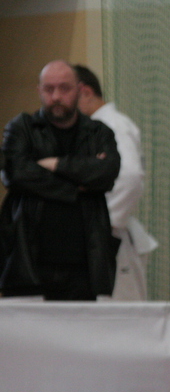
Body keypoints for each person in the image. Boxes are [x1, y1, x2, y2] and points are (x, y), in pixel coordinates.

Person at [0, 60, 121, 300]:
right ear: (39, 91)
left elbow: (107, 172)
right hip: (27, 261)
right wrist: (77, 186)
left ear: (80, 90)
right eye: (49, 89)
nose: (56, 96)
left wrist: (56, 164)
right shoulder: (22, 128)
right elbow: (16, 173)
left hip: (85, 265)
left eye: (64, 88)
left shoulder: (98, 132)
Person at [75, 64, 158, 301]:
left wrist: (101, 224)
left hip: (111, 242)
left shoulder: (111, 125)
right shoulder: (92, 128)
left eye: (67, 92)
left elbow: (130, 178)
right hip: (103, 239)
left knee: (121, 317)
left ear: (85, 92)